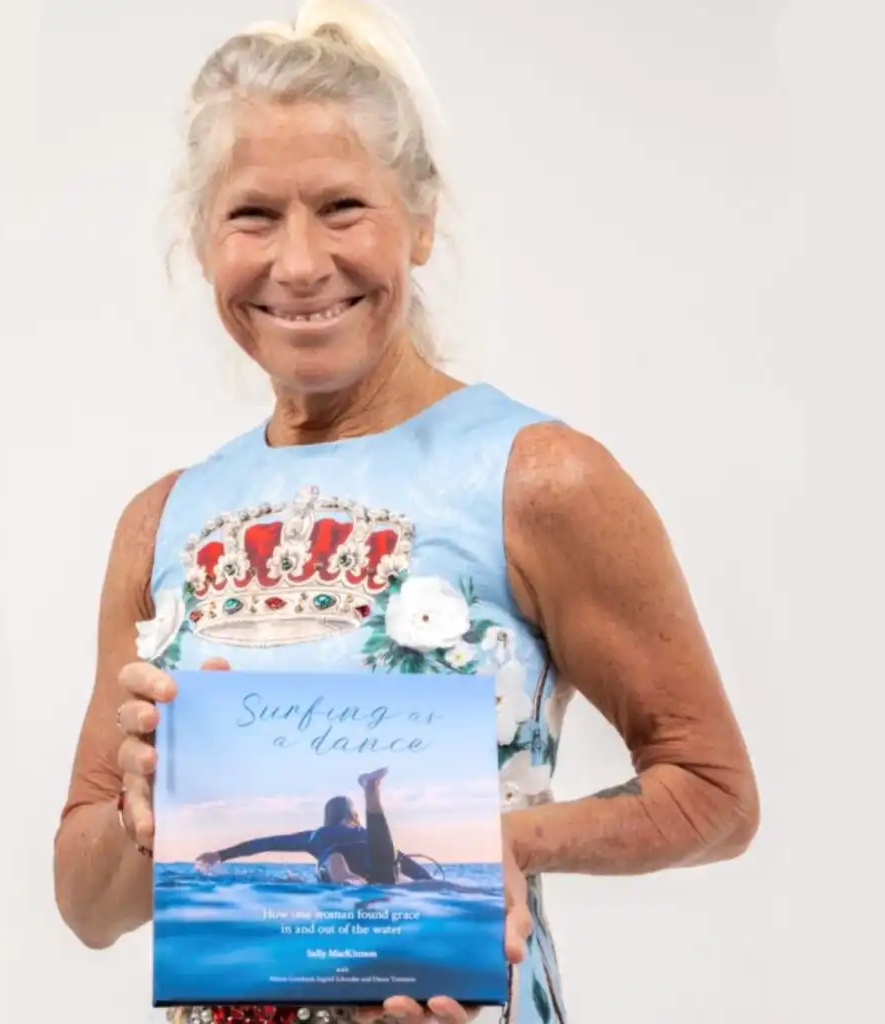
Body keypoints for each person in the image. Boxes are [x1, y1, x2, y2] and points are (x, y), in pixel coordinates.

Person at [52, 2, 760, 1023]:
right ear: (203, 243)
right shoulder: (161, 519)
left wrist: (498, 846)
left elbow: (714, 793)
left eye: (343, 207)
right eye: (253, 215)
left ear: (420, 221)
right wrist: (142, 811)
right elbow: (87, 909)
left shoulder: (537, 478)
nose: (300, 264)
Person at [196, 767, 434, 885]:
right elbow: (416, 871)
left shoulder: (317, 836)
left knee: (338, 867)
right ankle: (372, 791)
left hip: (336, 859)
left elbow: (267, 843)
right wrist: (428, 880)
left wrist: (221, 855)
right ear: (353, 816)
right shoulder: (363, 833)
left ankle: (348, 878)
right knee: (390, 869)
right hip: (375, 854)